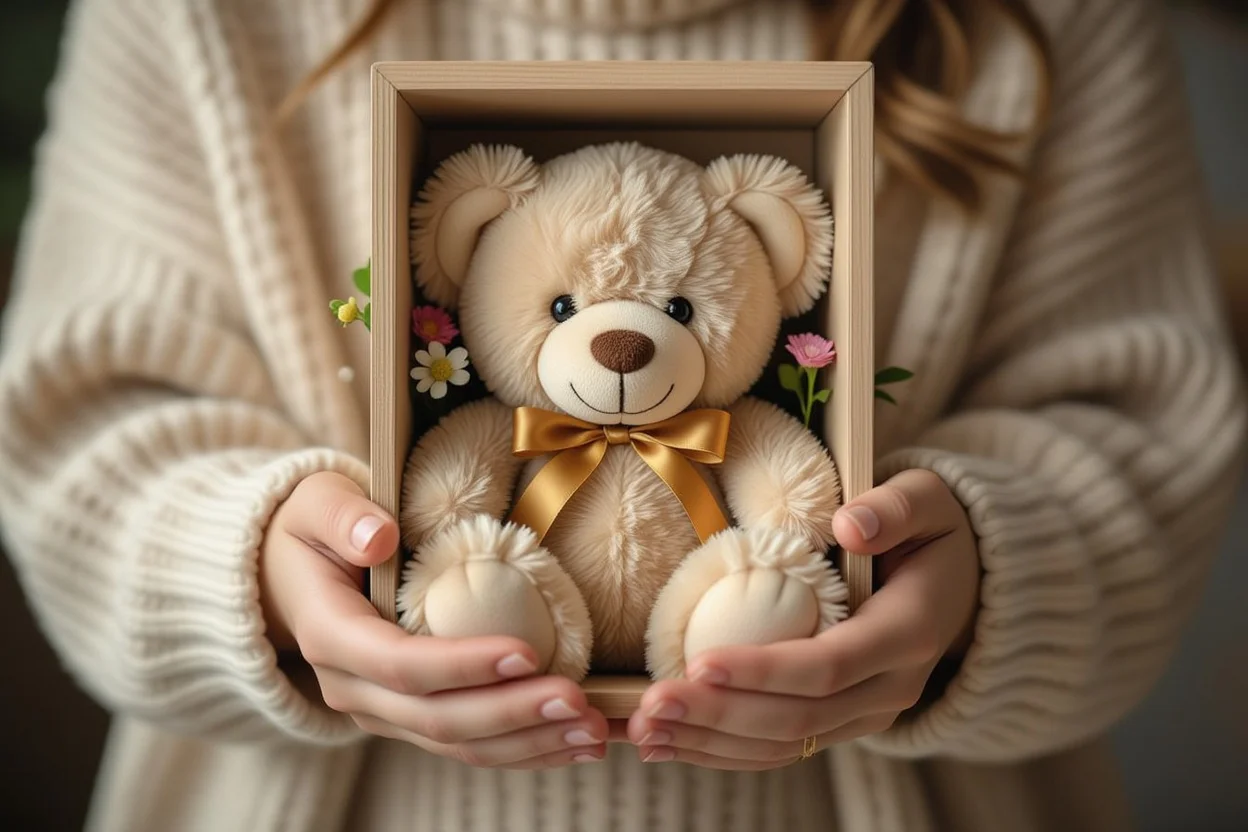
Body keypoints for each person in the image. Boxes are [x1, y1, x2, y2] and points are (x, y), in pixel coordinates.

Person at [1, 0, 1242, 830]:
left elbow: (1146, 431)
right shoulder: (197, 18)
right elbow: (75, 434)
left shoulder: (1051, 24)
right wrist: (268, 570)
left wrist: (978, 575)